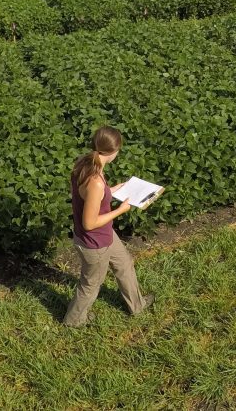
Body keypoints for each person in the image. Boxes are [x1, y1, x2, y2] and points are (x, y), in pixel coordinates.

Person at [63, 126, 151, 328]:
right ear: (114, 151)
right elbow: (89, 223)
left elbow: (92, 199)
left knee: (124, 264)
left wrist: (114, 190)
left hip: (105, 235)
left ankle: (137, 305)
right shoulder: (95, 181)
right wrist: (121, 210)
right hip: (94, 243)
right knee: (90, 285)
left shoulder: (85, 164)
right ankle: (73, 321)